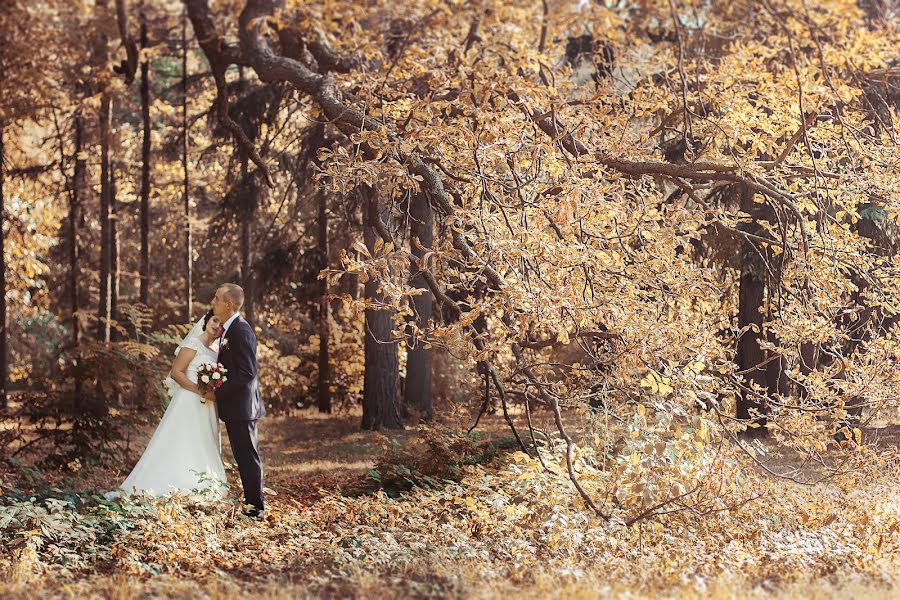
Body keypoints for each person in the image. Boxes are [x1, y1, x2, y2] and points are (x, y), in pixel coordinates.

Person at [108, 310, 227, 499]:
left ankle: (203, 485)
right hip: (188, 402)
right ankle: (172, 482)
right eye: (214, 320)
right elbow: (176, 373)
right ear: (206, 320)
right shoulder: (193, 344)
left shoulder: (216, 351)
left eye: (221, 325)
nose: (217, 326)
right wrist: (200, 391)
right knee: (182, 441)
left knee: (204, 442)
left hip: (208, 406)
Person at [207, 283, 267, 519]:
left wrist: (218, 392)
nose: (213, 302)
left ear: (229, 305)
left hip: (243, 408)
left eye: (217, 299)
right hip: (237, 408)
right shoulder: (228, 328)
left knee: (248, 457)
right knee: (243, 457)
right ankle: (251, 505)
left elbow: (247, 372)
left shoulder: (241, 331)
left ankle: (256, 509)